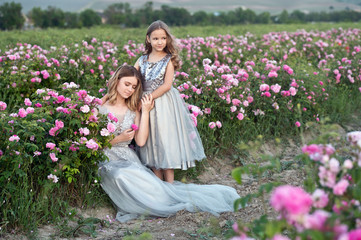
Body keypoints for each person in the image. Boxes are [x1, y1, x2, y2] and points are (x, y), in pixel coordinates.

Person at [97, 65, 240, 223]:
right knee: (120, 175)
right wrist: (118, 139)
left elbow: (140, 141)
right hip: (106, 158)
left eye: (134, 86)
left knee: (151, 185)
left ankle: (162, 202)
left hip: (127, 157)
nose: (130, 89)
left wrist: (145, 112)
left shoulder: (132, 109)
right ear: (116, 81)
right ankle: (149, 204)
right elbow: (93, 143)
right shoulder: (100, 107)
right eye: (127, 84)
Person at [135, 20, 205, 183]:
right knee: (150, 141)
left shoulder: (168, 60)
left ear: (167, 40)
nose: (159, 42)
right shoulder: (142, 60)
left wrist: (148, 98)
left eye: (163, 38)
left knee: (164, 141)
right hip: (145, 103)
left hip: (162, 103)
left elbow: (167, 85)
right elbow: (133, 76)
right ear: (148, 39)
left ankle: (170, 185)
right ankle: (160, 187)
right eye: (156, 38)